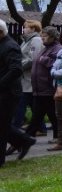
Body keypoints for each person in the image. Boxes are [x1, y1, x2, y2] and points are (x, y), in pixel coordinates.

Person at [0, 20, 37, 166]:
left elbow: (16, 69)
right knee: (3, 125)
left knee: (2, 126)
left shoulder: (10, 46)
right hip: (4, 91)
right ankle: (25, 140)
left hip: (8, 93)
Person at [28, 26, 62, 142]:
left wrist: (43, 60)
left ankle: (25, 139)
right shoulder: (45, 48)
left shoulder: (57, 49)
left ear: (53, 37)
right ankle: (57, 136)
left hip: (48, 87)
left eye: (45, 35)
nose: (42, 37)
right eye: (42, 35)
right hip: (40, 87)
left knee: (40, 115)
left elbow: (57, 64)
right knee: (48, 114)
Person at [14, 20, 43, 132]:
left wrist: (18, 66)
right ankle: (41, 127)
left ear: (33, 29)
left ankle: (15, 128)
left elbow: (33, 59)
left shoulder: (36, 40)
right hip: (25, 78)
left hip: (29, 77)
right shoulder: (27, 40)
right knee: (32, 104)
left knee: (20, 104)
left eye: (26, 27)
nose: (24, 29)